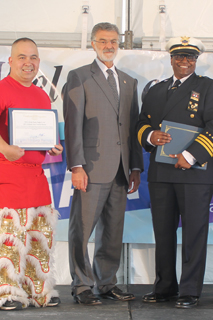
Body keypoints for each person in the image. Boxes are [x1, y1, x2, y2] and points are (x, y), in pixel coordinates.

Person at [137, 36, 213, 309]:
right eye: (179, 57)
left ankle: (189, 291)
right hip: (161, 173)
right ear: (171, 59)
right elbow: (142, 123)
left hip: (195, 172)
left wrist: (191, 155)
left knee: (193, 233)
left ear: (196, 60)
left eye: (190, 57)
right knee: (163, 233)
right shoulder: (155, 90)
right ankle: (165, 287)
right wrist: (151, 136)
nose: (184, 61)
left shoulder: (210, 88)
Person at [0, 38, 63, 311]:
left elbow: (38, 132)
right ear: (10, 61)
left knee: (39, 236)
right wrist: (3, 147)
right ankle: (3, 293)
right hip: (5, 174)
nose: (28, 63)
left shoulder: (41, 95)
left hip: (35, 175)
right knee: (7, 237)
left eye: (33, 58)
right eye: (22, 57)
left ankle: (38, 290)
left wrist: (52, 144)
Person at [63, 22, 143, 305]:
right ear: (93, 44)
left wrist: (135, 166)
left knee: (112, 232)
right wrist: (76, 166)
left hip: (121, 170)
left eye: (113, 41)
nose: (109, 46)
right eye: (102, 41)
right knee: (81, 230)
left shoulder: (129, 82)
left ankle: (107, 283)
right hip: (91, 168)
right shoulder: (79, 77)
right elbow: (72, 126)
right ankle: (82, 285)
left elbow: (133, 128)